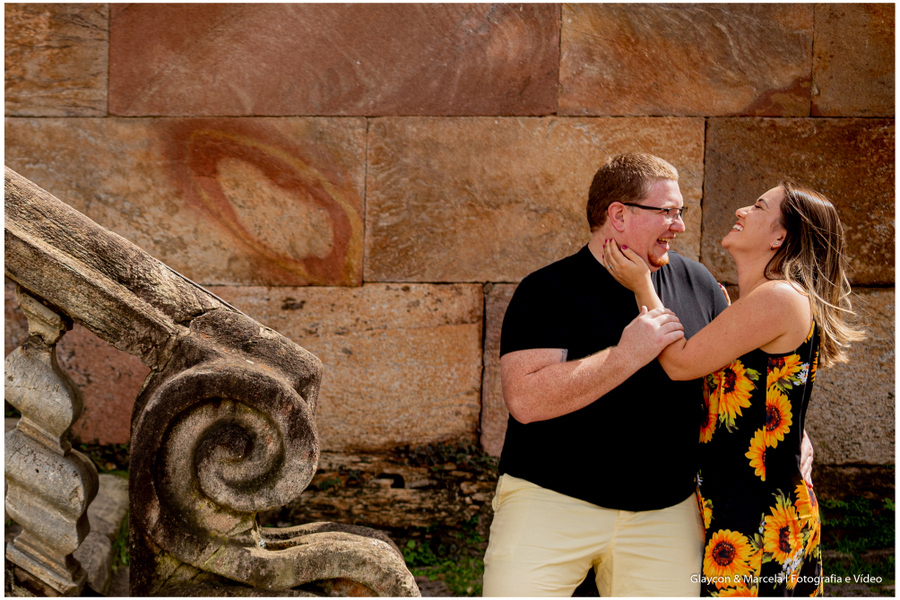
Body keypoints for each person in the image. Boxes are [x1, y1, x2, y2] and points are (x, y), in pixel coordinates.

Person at [482, 153, 731, 596]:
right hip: (550, 502)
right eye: (667, 212)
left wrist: (795, 438)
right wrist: (625, 355)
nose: (679, 225)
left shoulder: (700, 282)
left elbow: (734, 382)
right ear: (618, 214)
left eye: (681, 212)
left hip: (665, 512)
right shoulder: (548, 289)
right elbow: (525, 400)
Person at [603, 181, 863, 596]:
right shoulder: (760, 303)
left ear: (781, 237)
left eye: (759, 206)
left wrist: (641, 284)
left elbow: (680, 363)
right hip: (742, 505)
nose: (742, 210)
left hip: (756, 513)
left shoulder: (778, 297)